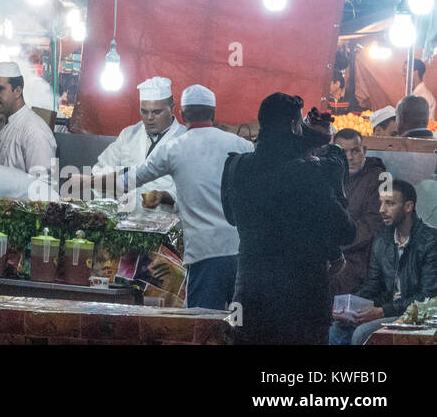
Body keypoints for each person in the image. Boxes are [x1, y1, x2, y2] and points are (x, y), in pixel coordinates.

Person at [221, 93, 355, 344]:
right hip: (303, 301)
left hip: (250, 297)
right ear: (295, 126)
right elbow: (345, 231)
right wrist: (333, 156)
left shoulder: (235, 166)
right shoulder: (309, 172)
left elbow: (231, 217)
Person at [132, 85, 253, 310]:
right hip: (242, 253)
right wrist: (168, 199)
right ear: (213, 114)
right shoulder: (243, 146)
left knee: (204, 325)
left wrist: (87, 181)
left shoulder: (174, 148)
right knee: (240, 324)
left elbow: (132, 178)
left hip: (206, 255)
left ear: (183, 115)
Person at [330, 180, 437, 344]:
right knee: (337, 327)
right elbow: (373, 285)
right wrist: (349, 310)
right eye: (381, 203)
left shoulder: (430, 241)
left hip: (418, 314)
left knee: (361, 333)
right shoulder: (381, 241)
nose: (381, 210)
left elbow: (427, 297)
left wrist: (382, 311)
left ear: (408, 207)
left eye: (390, 204)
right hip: (389, 310)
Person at [94, 76, 187, 211]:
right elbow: (102, 167)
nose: (149, 118)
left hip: (165, 223)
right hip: (125, 220)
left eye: (156, 112)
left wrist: (163, 196)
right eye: (144, 111)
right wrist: (110, 186)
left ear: (172, 108)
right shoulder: (129, 134)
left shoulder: (186, 140)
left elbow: (190, 191)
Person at [328, 127, 387, 295]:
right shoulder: (330, 176)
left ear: (364, 151)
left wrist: (336, 244)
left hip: (360, 258)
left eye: (355, 151)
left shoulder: (383, 178)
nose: (350, 157)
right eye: (343, 152)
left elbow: (377, 224)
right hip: (330, 254)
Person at [0, 61, 56, 175]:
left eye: (0, 89)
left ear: (18, 91)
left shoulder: (35, 132)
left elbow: (42, 187)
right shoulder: (2, 125)